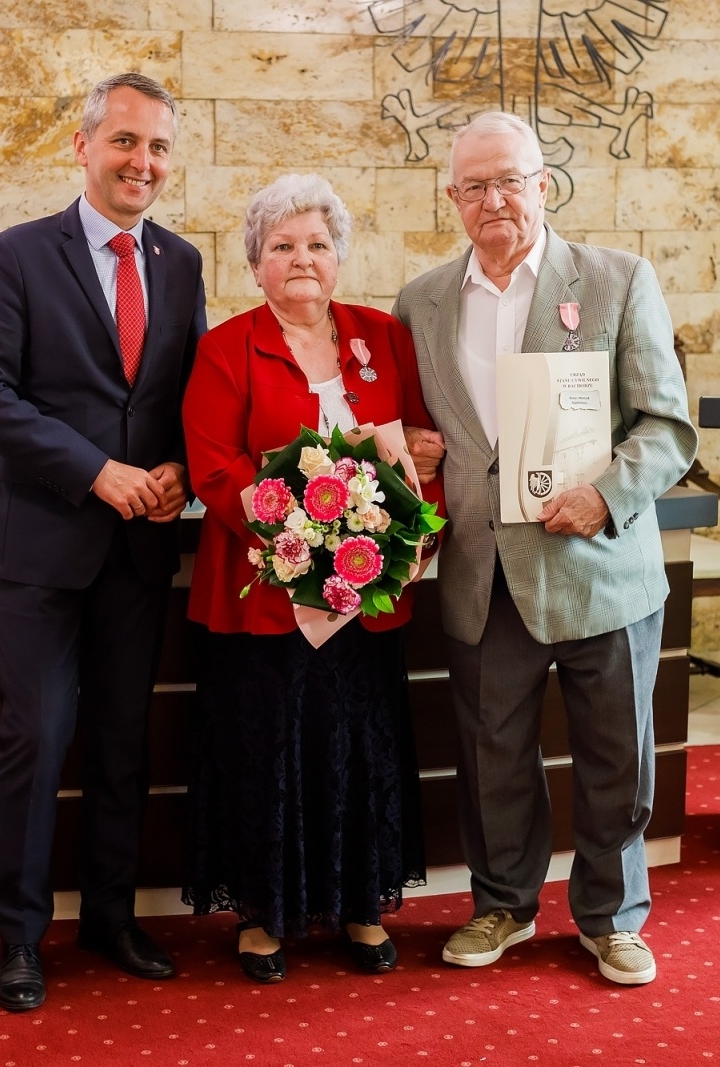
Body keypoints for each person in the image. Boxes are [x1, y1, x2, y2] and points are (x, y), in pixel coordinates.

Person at [391, 113, 696, 986]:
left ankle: (613, 915)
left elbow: (668, 428)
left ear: (544, 185)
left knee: (616, 757)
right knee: (493, 755)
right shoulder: (420, 302)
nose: (495, 200)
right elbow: (424, 428)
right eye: (475, 185)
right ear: (453, 198)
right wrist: (410, 446)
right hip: (484, 579)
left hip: (600, 566)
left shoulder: (616, 280)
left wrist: (605, 495)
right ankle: (502, 904)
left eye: (510, 181)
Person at [0, 72, 207, 1012]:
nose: (143, 162)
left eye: (159, 148)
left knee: (119, 743)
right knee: (38, 736)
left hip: (140, 549)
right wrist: (96, 470)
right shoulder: (17, 255)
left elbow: (185, 391)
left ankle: (110, 916)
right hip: (41, 549)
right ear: (84, 145)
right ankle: (19, 937)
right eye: (126, 142)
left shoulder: (180, 264)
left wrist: (180, 463)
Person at [180, 173, 443, 983]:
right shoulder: (227, 347)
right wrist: (297, 540)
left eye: (317, 245)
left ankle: (362, 903)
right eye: (283, 245)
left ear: (340, 258)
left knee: (360, 750)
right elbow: (212, 466)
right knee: (269, 753)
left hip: (368, 601)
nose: (302, 259)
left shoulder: (382, 336)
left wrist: (413, 497)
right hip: (262, 596)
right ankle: (265, 914)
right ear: (255, 262)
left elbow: (423, 443)